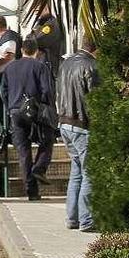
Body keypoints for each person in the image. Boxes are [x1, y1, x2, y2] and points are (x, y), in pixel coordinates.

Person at [1, 38, 55, 201]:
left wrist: (10, 108)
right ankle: (39, 168)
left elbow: (4, 91)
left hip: (15, 112)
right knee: (47, 140)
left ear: (21, 50)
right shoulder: (40, 67)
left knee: (23, 152)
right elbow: (47, 91)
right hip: (35, 110)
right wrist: (48, 109)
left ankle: (31, 191)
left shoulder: (9, 68)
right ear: (37, 51)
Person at [57, 37, 99, 232]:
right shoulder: (91, 66)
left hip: (65, 122)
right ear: (96, 49)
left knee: (76, 172)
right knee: (89, 172)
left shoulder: (66, 64)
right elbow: (95, 99)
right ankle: (86, 220)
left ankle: (72, 218)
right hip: (82, 124)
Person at [32, 5, 66, 79]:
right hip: (46, 68)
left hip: (51, 70)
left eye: (37, 11)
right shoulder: (42, 23)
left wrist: (31, 37)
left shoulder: (51, 24)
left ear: (46, 8)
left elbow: (37, 40)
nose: (35, 14)